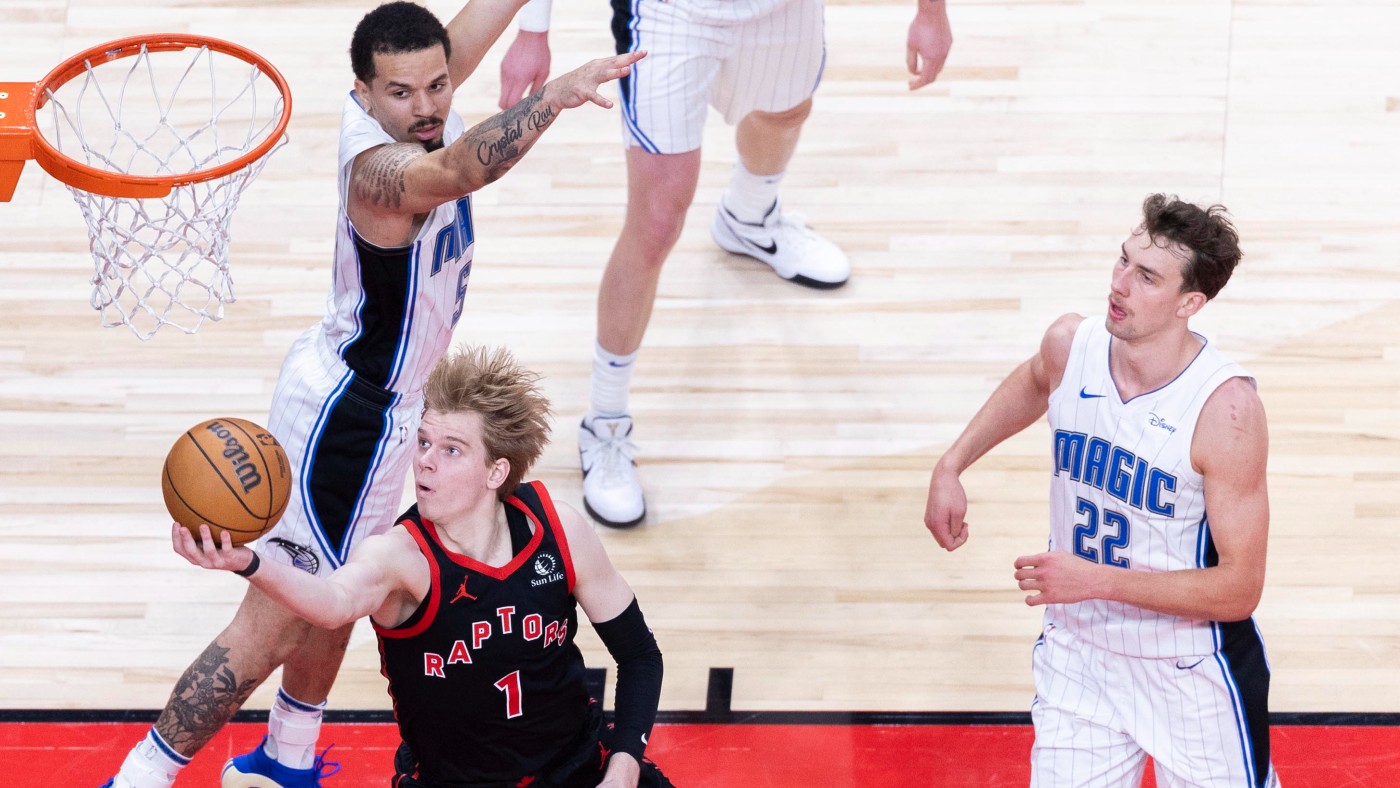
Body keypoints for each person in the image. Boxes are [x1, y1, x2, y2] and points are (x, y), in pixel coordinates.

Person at [104, 3, 645, 787]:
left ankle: (286, 760)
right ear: (364, 93)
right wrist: (554, 97)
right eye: (402, 92)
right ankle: (142, 774)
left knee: (350, 582)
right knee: (278, 617)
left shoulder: (415, 102)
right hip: (348, 418)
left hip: (393, 410)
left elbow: (451, 52)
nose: (426, 106)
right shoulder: (380, 176)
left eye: (438, 85)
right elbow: (460, 171)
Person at [495, 0, 955, 527]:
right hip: (670, 13)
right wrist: (533, 29)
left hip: (784, 8)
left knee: (786, 113)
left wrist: (931, 11)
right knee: (656, 222)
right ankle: (605, 422)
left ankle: (749, 217)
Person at [171, 345, 671, 788]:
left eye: (451, 450)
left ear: (496, 471)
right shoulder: (399, 557)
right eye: (424, 441)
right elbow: (332, 603)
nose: (425, 461)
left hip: (578, 770)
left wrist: (623, 768)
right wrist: (248, 562)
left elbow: (640, 655)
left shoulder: (557, 530)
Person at [924, 194, 1279, 787]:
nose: (1119, 284)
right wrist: (952, 463)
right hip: (1079, 655)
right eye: (1123, 260)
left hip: (1190, 670)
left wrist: (1098, 581)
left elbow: (1239, 590)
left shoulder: (1226, 411)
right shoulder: (1072, 345)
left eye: (1147, 277)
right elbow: (1035, 381)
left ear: (1190, 303)